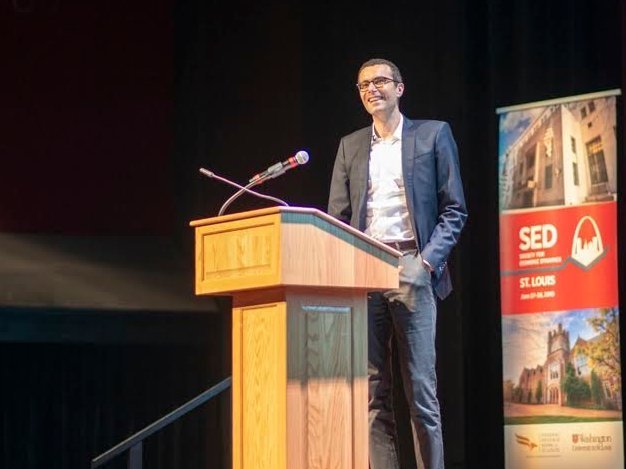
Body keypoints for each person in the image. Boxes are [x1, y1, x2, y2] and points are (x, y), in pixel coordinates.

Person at [327, 58, 467, 469]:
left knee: (421, 393)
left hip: (411, 267)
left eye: (380, 81)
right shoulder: (350, 145)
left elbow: (454, 209)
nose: (372, 89)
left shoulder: (433, 134)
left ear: (400, 88)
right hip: (365, 272)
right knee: (373, 394)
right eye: (363, 85)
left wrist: (426, 264)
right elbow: (337, 217)